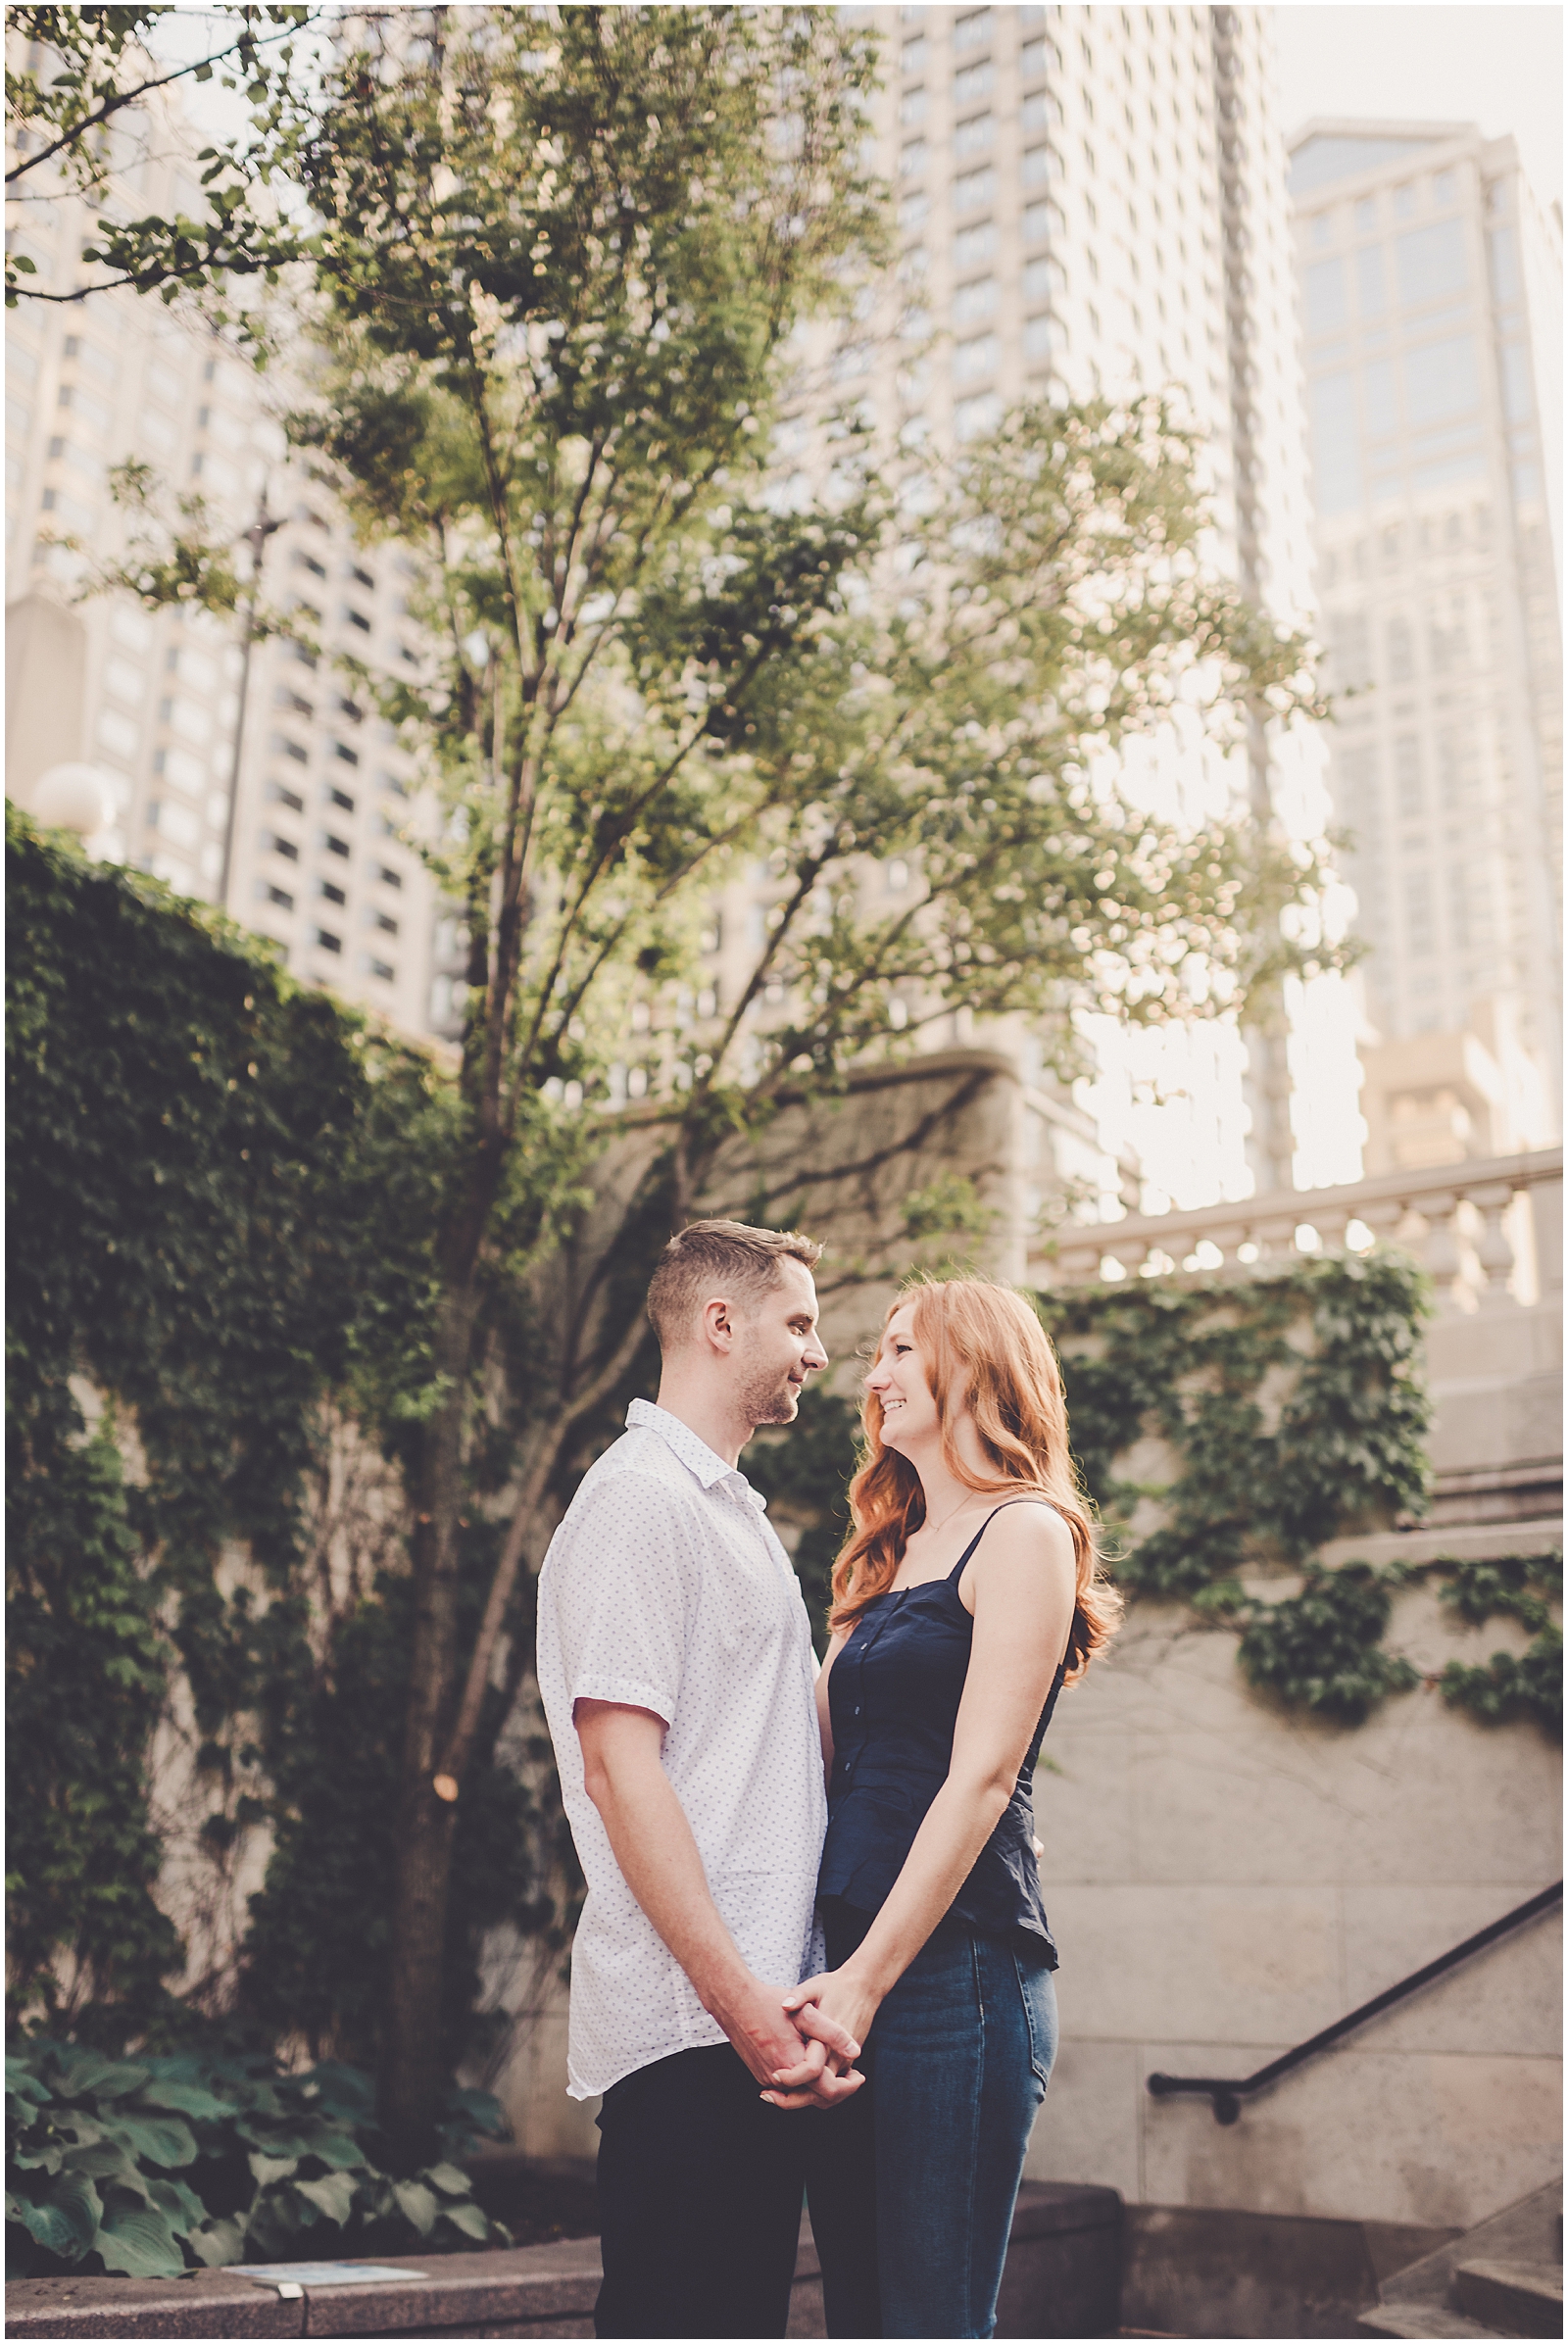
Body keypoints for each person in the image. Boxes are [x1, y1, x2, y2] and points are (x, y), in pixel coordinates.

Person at [535, 1219, 875, 2342]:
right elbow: (619, 1769)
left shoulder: (726, 1507)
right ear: (720, 1323)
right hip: (697, 2029)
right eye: (800, 1323)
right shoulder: (641, 1498)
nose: (819, 1352)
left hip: (755, 2025)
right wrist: (749, 2015)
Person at [768, 1276, 1123, 2340]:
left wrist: (863, 1987)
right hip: (848, 1967)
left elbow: (977, 1778)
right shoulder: (890, 1548)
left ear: (974, 1362)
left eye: (897, 1349)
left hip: (951, 1979)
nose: (868, 1375)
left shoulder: (1024, 1531)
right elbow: (834, 1767)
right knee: (863, 2319)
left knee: (928, 2319)